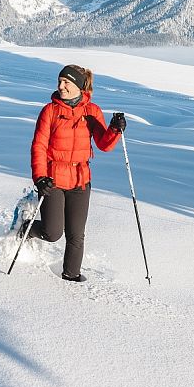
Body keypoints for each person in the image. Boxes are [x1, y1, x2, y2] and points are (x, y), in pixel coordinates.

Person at [26, 64, 126, 282]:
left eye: (66, 82)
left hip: (81, 180)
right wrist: (40, 177)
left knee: (76, 235)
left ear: (79, 87)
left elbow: (104, 144)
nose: (61, 86)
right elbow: (39, 147)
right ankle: (27, 228)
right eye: (59, 82)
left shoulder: (92, 111)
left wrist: (115, 130)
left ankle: (71, 276)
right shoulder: (50, 111)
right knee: (53, 233)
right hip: (53, 180)